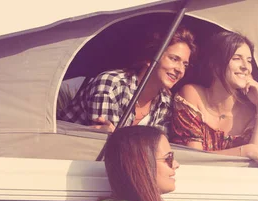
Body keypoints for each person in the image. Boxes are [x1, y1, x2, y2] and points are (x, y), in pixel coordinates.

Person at [170, 31, 258, 169]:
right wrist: (247, 151)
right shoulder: (192, 95)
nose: (245, 67)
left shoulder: (250, 113)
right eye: (237, 58)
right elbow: (196, 159)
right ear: (215, 65)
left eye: (249, 61)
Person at [58, 27, 196, 133]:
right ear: (150, 58)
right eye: (174, 59)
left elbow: (153, 148)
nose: (180, 70)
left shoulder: (165, 103)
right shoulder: (112, 84)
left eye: (185, 64)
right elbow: (110, 145)